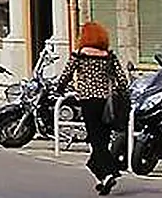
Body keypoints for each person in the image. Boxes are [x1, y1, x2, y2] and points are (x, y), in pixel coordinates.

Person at [54, 21, 126, 195]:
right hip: (106, 103)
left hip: (88, 102)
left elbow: (65, 75)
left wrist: (60, 89)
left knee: (96, 140)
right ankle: (103, 175)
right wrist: (117, 92)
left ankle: (109, 172)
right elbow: (122, 80)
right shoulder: (109, 56)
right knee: (103, 139)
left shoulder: (79, 55)